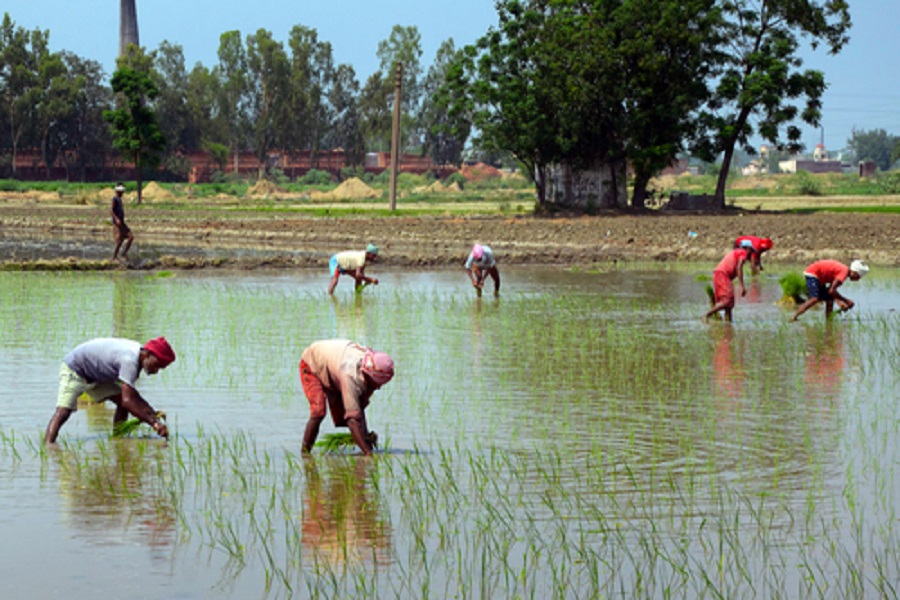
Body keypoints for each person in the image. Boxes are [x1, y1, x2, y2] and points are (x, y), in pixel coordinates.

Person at [44, 337, 176, 444]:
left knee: (123, 404)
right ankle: (48, 447)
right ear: (148, 354)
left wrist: (151, 412)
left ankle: (118, 441)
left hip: (96, 376)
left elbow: (131, 396)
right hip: (75, 369)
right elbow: (128, 400)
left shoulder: (138, 357)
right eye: (157, 365)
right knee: (63, 411)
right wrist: (154, 423)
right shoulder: (130, 360)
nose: (156, 371)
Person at [299, 340, 394, 456]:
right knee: (318, 411)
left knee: (350, 412)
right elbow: (352, 420)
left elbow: (359, 408)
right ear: (369, 376)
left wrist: (366, 437)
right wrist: (368, 453)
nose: (378, 388)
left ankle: (363, 443)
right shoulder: (351, 376)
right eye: (377, 383)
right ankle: (305, 454)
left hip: (334, 365)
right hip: (312, 363)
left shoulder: (371, 366)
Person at [792, 259, 868, 321]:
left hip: (819, 277)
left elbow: (831, 291)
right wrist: (846, 301)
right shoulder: (843, 273)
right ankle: (794, 317)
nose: (858, 279)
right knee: (814, 299)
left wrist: (840, 302)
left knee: (829, 299)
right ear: (854, 273)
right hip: (813, 274)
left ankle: (829, 321)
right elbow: (832, 291)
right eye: (858, 277)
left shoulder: (843, 271)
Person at [704, 246, 752, 322]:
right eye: (751, 251)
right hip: (722, 275)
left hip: (718, 274)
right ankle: (708, 315)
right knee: (727, 300)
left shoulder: (736, 252)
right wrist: (742, 286)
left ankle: (728, 324)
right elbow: (739, 267)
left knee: (729, 305)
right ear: (747, 249)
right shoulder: (743, 253)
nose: (751, 255)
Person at [111, 183, 134, 261]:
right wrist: (116, 219)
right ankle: (114, 257)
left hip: (122, 223)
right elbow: (111, 211)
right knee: (119, 241)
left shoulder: (119, 199)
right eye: (121, 192)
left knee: (131, 237)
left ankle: (124, 253)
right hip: (118, 224)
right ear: (118, 192)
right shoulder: (115, 199)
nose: (122, 193)